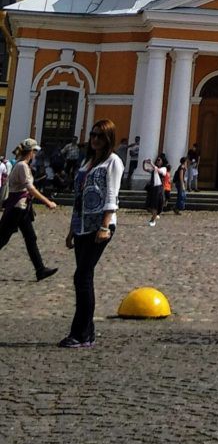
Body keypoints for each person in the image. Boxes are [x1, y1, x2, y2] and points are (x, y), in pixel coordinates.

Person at [61, 119, 124, 348]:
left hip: (100, 227)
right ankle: (87, 332)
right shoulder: (88, 162)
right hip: (81, 226)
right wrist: (71, 230)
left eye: (100, 135)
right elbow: (78, 198)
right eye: (93, 134)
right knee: (84, 278)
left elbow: (112, 196)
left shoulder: (113, 162)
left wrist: (105, 226)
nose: (95, 139)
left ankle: (79, 334)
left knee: (82, 276)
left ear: (109, 138)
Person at [0, 138, 59, 281]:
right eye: (34, 152)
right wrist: (47, 202)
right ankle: (40, 269)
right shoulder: (22, 166)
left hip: (22, 208)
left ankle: (40, 269)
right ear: (31, 152)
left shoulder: (22, 165)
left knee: (30, 238)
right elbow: (30, 188)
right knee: (2, 238)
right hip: (16, 208)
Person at [143, 155, 167, 226]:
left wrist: (151, 164)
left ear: (162, 162)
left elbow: (159, 171)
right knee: (149, 205)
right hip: (152, 188)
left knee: (155, 205)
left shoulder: (163, 168)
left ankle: (153, 219)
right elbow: (145, 169)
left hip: (158, 189)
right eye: (157, 160)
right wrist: (144, 162)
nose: (158, 161)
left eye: (159, 160)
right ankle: (155, 214)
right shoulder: (154, 169)